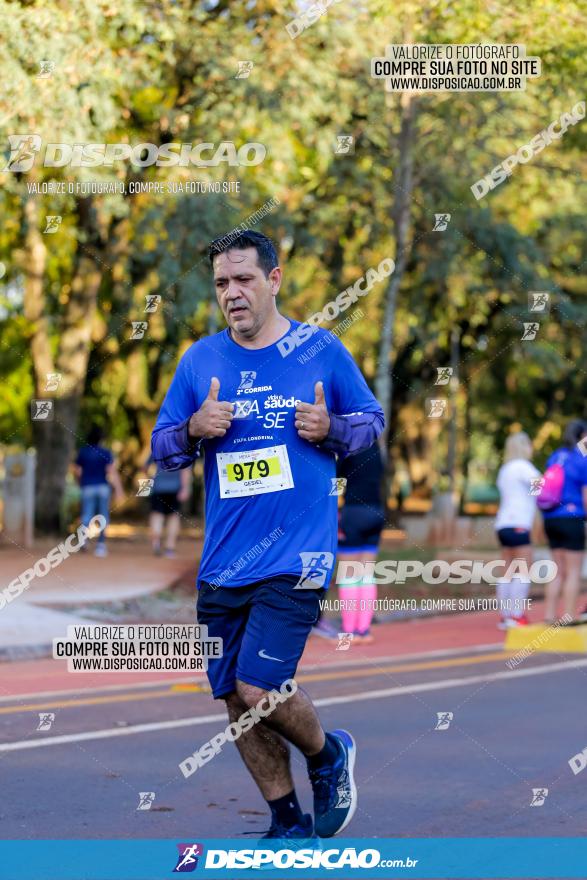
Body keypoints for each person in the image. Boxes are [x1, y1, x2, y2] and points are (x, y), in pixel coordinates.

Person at [152, 230, 384, 840]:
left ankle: (328, 754)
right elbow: (161, 448)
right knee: (234, 697)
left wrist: (330, 428)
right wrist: (193, 428)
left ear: (274, 280)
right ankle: (285, 818)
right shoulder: (198, 361)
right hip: (223, 561)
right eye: (222, 283)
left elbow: (369, 426)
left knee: (260, 684)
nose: (232, 293)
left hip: (297, 555)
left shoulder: (320, 350)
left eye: (245, 280)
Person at [336, 443, 386, 643]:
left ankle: (349, 631)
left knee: (348, 574)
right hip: (377, 512)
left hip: (354, 512)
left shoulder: (347, 449)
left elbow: (337, 482)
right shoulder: (376, 449)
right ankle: (364, 631)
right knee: (366, 573)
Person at [541, 419, 587, 622]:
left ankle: (549, 616)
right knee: (573, 571)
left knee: (557, 571)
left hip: (550, 518)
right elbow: (586, 497)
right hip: (572, 516)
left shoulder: (554, 456)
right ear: (582, 435)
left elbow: (541, 487)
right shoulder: (582, 459)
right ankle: (568, 616)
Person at [494, 431, 540, 628]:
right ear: (523, 447)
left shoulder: (505, 470)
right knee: (523, 569)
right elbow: (541, 487)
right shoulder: (524, 467)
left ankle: (506, 616)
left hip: (503, 523)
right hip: (519, 522)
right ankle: (516, 615)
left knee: (507, 570)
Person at [73, 426, 124, 557]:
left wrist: (80, 483)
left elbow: (77, 471)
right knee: (103, 515)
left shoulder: (83, 452)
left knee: (86, 515)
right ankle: (101, 545)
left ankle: (84, 540)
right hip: (102, 487)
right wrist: (119, 489)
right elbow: (111, 471)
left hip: (87, 487)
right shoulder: (105, 452)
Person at [144, 457, 191, 557]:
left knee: (157, 515)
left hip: (157, 488)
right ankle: (170, 547)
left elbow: (145, 467)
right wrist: (185, 488)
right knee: (173, 517)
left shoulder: (156, 445)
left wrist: (148, 484)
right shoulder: (183, 448)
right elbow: (185, 470)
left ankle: (156, 543)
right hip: (175, 488)